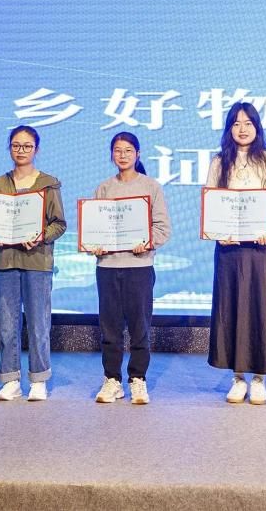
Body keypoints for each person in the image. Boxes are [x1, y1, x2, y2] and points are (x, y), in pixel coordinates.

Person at [205, 102, 266, 405]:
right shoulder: (218, 162)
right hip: (228, 249)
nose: (242, 129)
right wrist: (218, 231)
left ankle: (259, 378)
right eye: (236, 123)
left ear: (257, 127)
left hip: (260, 248)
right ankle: (238, 377)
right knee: (231, 308)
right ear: (229, 128)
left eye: (248, 123)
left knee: (260, 308)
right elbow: (212, 204)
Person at [0, 125, 66, 402]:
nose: (21, 150)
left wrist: (40, 236)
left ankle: (39, 379)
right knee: (7, 324)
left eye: (27, 146)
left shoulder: (49, 183)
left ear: (36, 149)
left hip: (37, 261)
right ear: (9, 148)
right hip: (5, 261)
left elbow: (59, 224)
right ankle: (10, 380)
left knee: (39, 323)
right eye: (16, 145)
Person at [91, 132, 171, 405]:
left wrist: (146, 242)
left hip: (139, 266)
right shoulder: (104, 188)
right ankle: (112, 380)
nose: (122, 155)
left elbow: (163, 228)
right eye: (117, 150)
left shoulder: (151, 187)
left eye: (128, 150)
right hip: (108, 266)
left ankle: (138, 379)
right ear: (111, 154)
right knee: (110, 327)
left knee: (140, 326)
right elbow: (94, 228)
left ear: (138, 154)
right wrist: (94, 245)